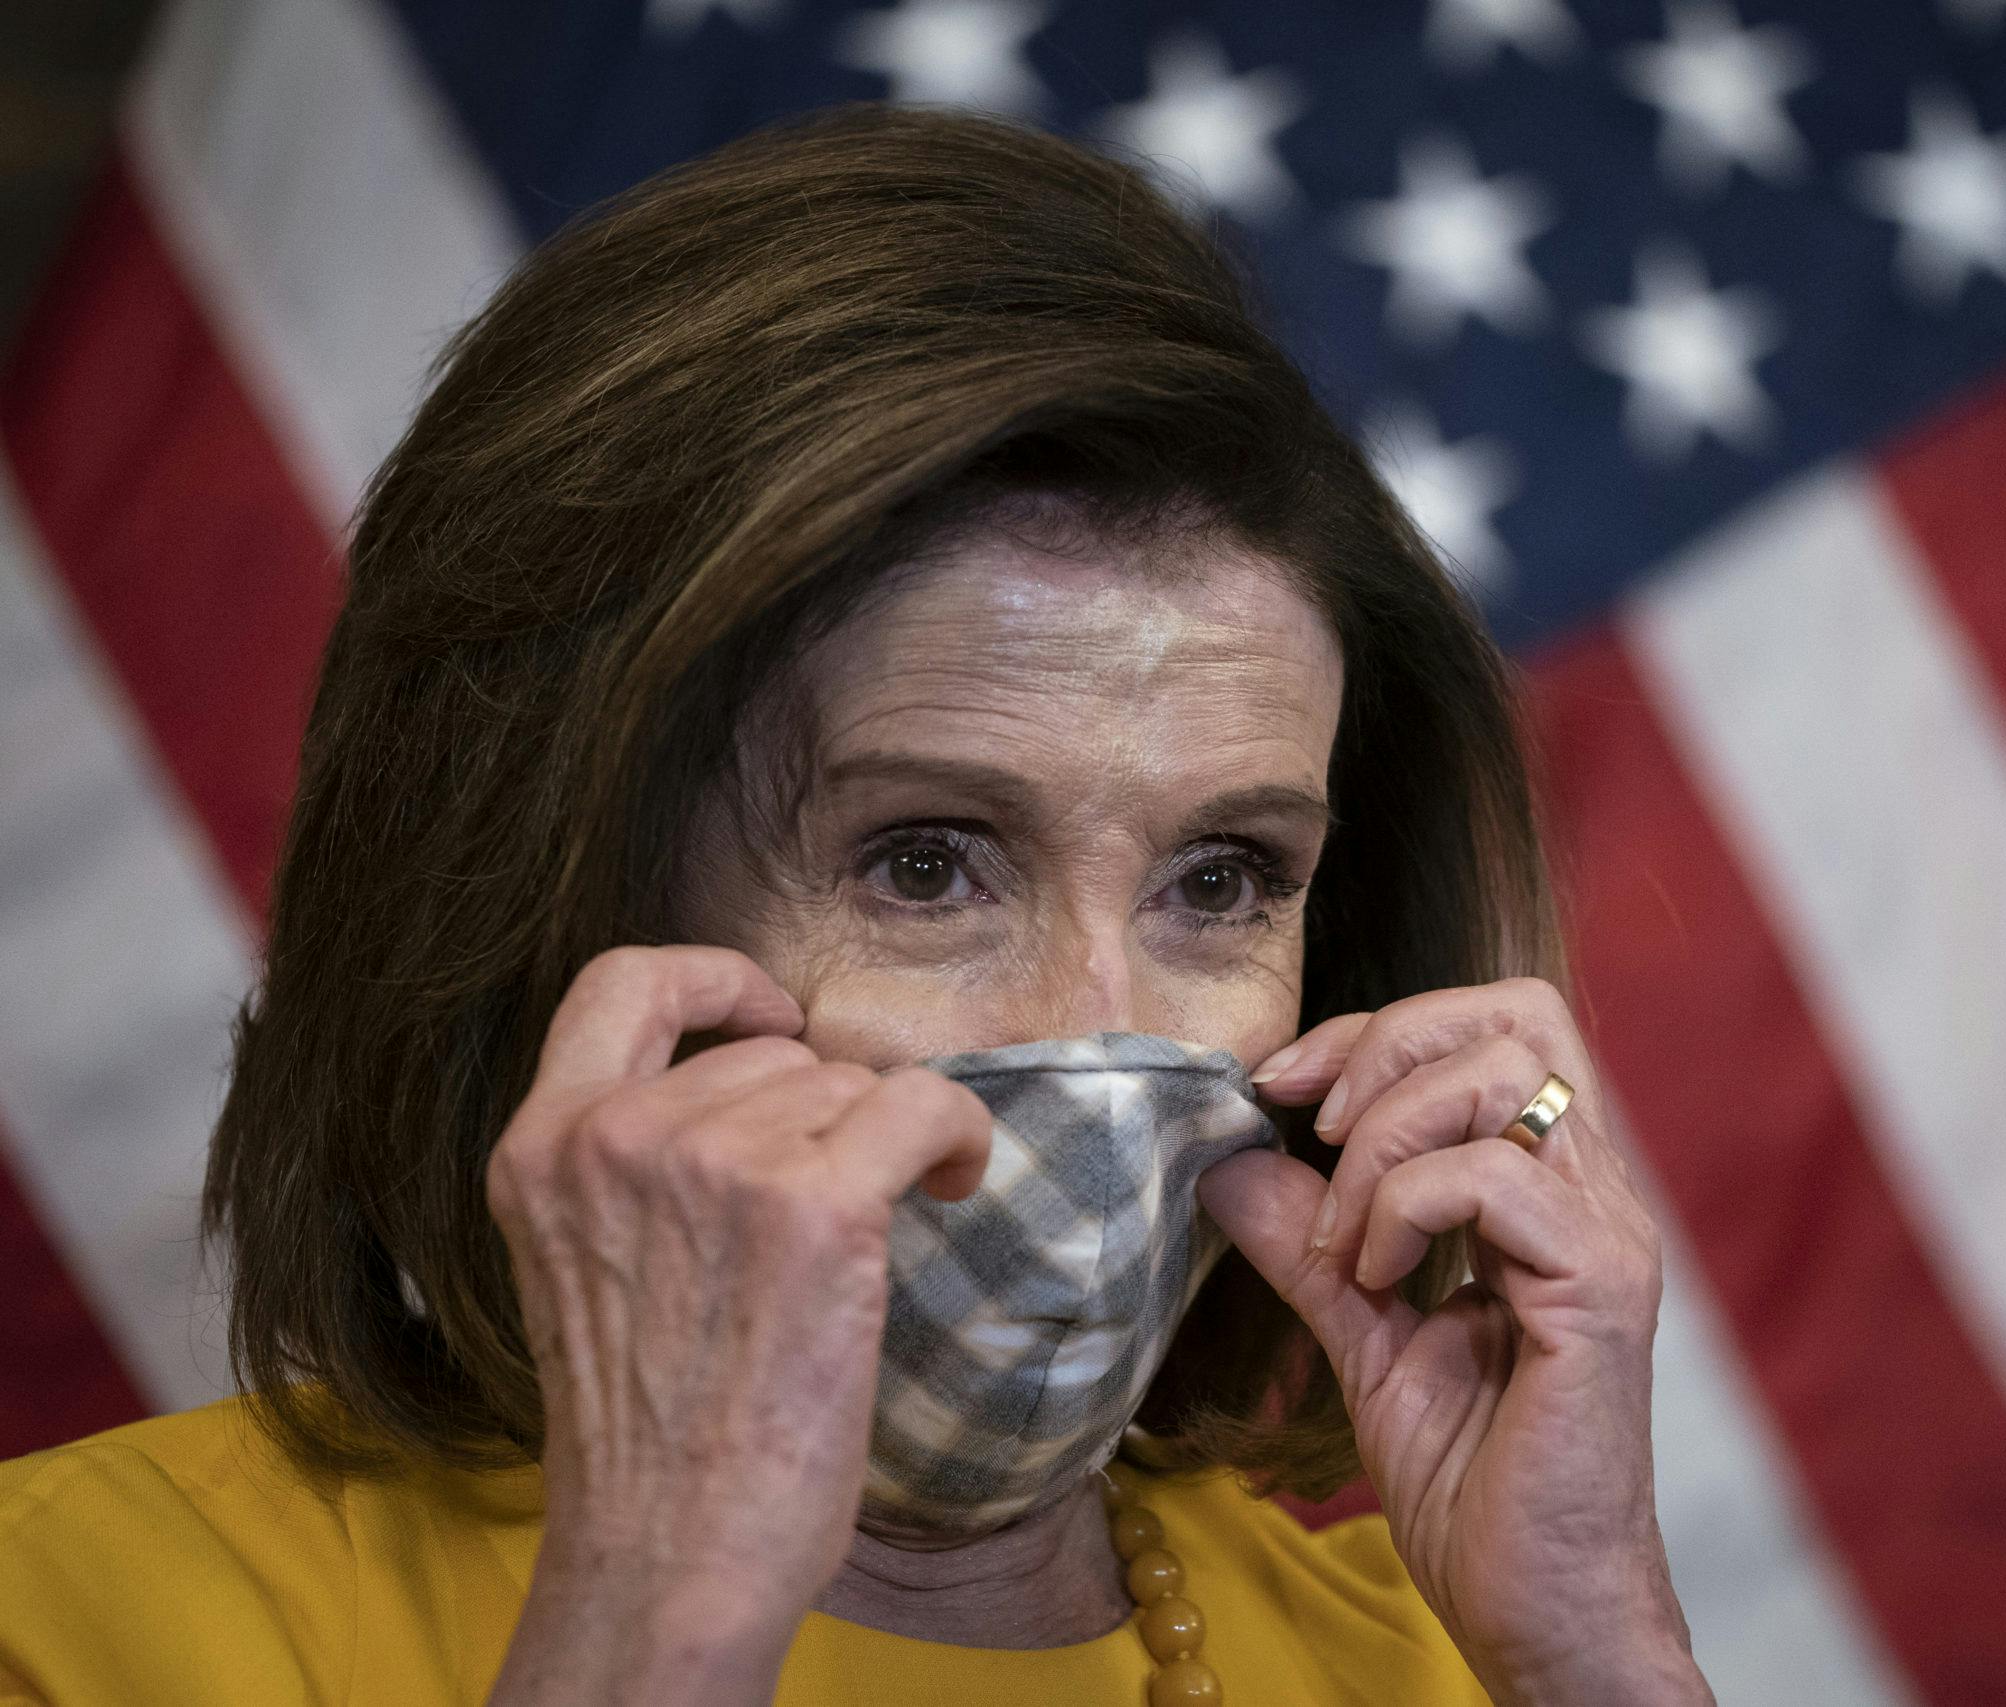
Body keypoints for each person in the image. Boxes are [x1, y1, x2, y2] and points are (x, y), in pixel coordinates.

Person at [0, 105, 1709, 1707]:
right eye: (924, 863)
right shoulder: (79, 1616)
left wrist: (1604, 1657)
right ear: (556, 905)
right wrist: (647, 1633)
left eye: (1222, 881)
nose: (1097, 1029)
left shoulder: (1456, 1657)